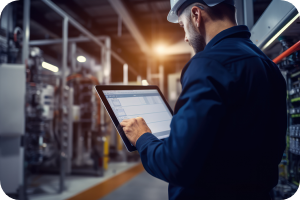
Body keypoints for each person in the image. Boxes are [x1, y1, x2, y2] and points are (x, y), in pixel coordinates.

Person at [120, 0, 287, 199]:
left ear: (196, 15)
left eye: (183, 26)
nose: (185, 38)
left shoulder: (207, 63)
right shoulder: (266, 64)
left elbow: (175, 166)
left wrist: (142, 137)